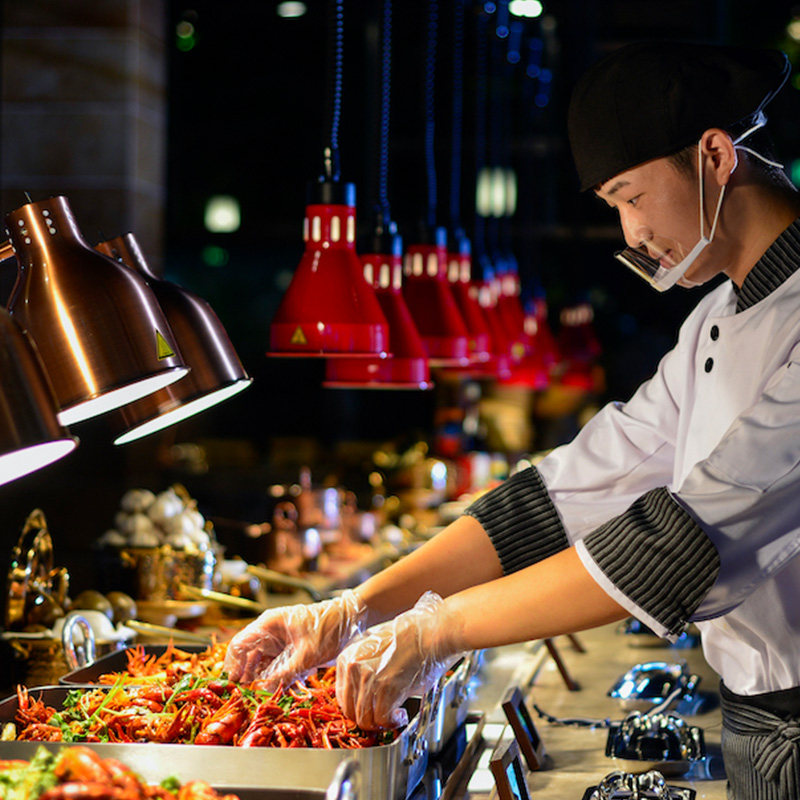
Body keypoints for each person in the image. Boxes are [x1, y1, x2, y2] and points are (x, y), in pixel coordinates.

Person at [226, 41, 800, 798]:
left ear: (715, 156)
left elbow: (681, 541)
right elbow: (562, 493)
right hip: (754, 720)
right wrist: (351, 612)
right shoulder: (714, 319)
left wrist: (439, 629)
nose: (631, 234)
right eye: (614, 208)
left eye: (631, 196)